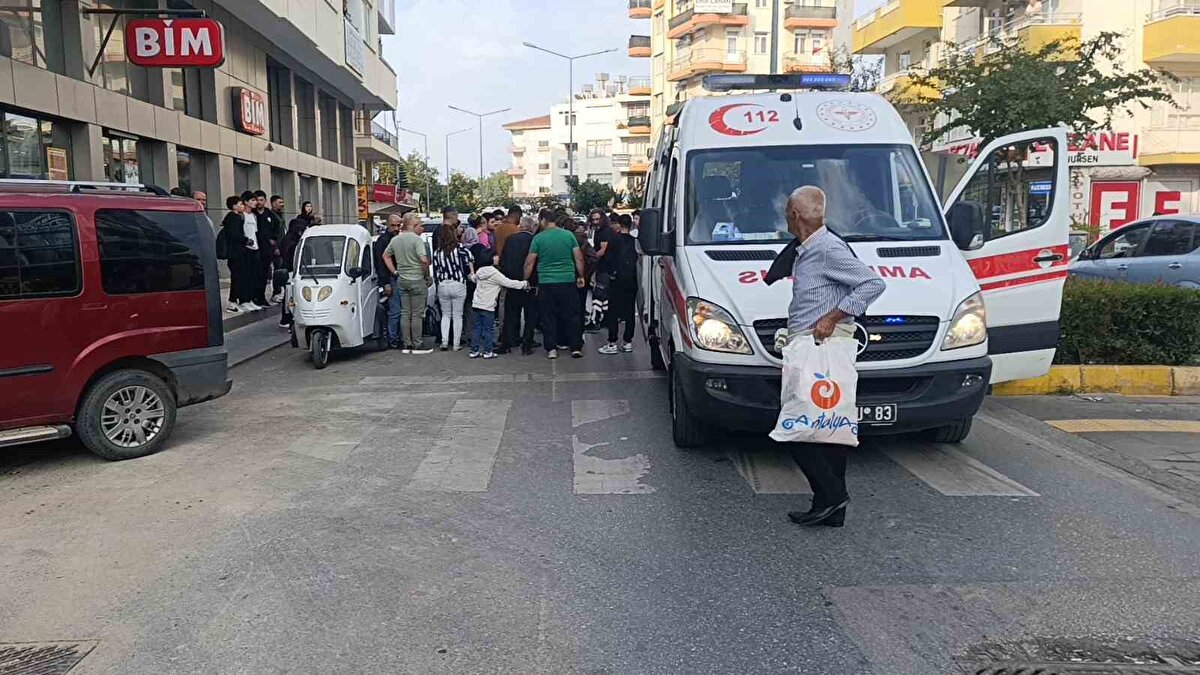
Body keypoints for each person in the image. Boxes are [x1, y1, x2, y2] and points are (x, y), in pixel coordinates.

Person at [781, 186, 886, 529]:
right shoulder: (808, 249)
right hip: (812, 345)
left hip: (821, 346)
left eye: (786, 213)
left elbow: (872, 284)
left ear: (794, 215)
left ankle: (833, 495)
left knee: (797, 428)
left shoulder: (826, 249)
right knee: (830, 429)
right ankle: (829, 508)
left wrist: (831, 317)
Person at [525, 212, 586, 359]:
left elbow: (530, 262)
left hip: (546, 282)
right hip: (567, 280)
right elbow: (579, 258)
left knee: (548, 316)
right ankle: (575, 347)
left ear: (544, 220)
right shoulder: (568, 236)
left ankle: (551, 349)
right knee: (572, 315)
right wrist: (581, 275)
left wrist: (525, 279)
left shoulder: (538, 238)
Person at [382, 213, 433, 354]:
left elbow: (385, 256)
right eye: (419, 225)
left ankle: (406, 342)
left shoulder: (396, 240)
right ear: (413, 225)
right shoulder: (416, 240)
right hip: (416, 279)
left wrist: (395, 272)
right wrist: (427, 275)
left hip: (402, 279)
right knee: (416, 313)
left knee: (405, 313)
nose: (421, 228)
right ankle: (417, 342)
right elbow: (423, 260)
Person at [468, 247, 528, 359]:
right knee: (488, 329)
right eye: (495, 256)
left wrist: (470, 276)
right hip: (488, 306)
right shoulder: (495, 273)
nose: (498, 258)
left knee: (477, 328)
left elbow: (474, 278)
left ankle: (474, 350)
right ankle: (488, 351)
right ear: (491, 258)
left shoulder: (480, 271)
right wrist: (524, 284)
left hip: (476, 304)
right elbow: (508, 283)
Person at [499, 215, 540, 355]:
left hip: (512, 282)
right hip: (529, 283)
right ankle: (527, 344)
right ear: (532, 227)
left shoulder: (510, 239)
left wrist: (506, 278)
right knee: (530, 315)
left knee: (511, 314)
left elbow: (503, 260)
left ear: (521, 226)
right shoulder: (534, 240)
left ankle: (507, 342)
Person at [599, 214, 638, 355]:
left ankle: (612, 342)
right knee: (629, 312)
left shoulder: (614, 240)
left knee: (613, 311)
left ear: (619, 224)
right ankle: (627, 342)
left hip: (616, 280)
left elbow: (608, 259)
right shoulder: (635, 241)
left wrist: (611, 273)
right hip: (632, 280)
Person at [432, 221, 474, 351]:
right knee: (457, 315)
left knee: (446, 315)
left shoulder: (437, 252)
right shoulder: (460, 248)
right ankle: (456, 344)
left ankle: (444, 342)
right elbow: (470, 259)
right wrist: (471, 273)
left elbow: (435, 270)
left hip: (443, 285)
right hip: (458, 284)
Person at [222, 195, 261, 313]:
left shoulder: (237, 217)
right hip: (235, 253)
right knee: (237, 278)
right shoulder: (232, 218)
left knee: (243, 277)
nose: (242, 206)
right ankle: (233, 302)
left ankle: (245, 300)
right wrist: (246, 240)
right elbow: (235, 235)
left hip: (240, 252)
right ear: (234, 206)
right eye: (240, 204)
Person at [373, 214, 403, 343]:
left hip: (398, 278)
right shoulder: (383, 240)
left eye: (398, 225)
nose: (396, 228)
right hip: (391, 279)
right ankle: (393, 338)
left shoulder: (397, 238)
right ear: (387, 225)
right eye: (393, 225)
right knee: (395, 311)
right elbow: (380, 264)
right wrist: (385, 283)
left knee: (400, 311)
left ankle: (397, 336)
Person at [239, 190, 267, 309]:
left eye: (255, 200)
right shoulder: (241, 215)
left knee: (255, 275)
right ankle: (243, 300)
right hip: (246, 249)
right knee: (246, 275)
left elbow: (255, 232)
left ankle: (251, 299)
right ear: (245, 202)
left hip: (255, 248)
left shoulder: (254, 215)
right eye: (252, 200)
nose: (255, 203)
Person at [574, 226, 599, 333]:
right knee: (580, 304)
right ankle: (579, 330)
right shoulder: (586, 245)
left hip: (569, 277)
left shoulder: (569, 242)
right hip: (583, 279)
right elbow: (594, 259)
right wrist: (587, 274)